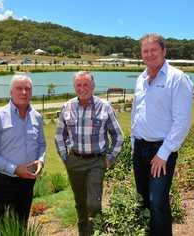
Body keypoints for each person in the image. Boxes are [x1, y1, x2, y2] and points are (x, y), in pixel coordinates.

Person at [131, 33, 194, 236]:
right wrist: (134, 143)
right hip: (139, 148)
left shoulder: (177, 78)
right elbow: (136, 112)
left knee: (158, 201)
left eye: (153, 50)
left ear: (164, 51)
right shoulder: (141, 79)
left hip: (161, 151)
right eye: (145, 51)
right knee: (144, 199)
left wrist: (163, 153)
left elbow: (182, 122)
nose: (149, 54)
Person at [55, 71, 124, 236]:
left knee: (93, 203)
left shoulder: (104, 107)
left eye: (86, 84)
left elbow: (118, 136)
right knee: (80, 201)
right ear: (74, 87)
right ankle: (84, 231)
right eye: (79, 85)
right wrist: (66, 159)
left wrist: (110, 158)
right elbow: (59, 136)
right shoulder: (67, 107)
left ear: (93, 86)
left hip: (96, 162)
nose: (82, 88)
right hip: (75, 161)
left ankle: (97, 228)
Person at [0, 74, 46, 224]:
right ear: (11, 92)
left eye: (27, 89)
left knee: (20, 224)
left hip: (27, 183)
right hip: (3, 182)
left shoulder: (36, 117)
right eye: (19, 88)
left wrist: (41, 161)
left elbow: (42, 144)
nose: (24, 92)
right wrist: (15, 169)